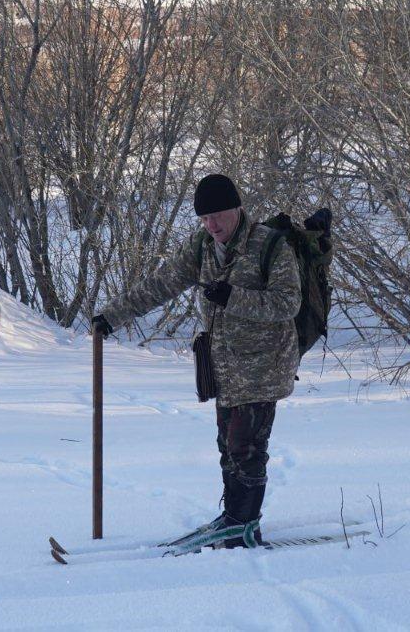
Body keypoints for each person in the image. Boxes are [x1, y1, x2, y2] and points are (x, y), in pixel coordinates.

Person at [92, 173, 301, 548]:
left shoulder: (270, 246)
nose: (212, 225)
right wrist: (112, 316)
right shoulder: (203, 246)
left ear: (237, 208)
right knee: (227, 445)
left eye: (218, 215)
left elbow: (288, 303)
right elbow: (162, 283)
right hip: (223, 367)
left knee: (246, 446)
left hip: (263, 366)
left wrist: (233, 297)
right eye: (204, 219)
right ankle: (234, 517)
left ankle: (244, 523)